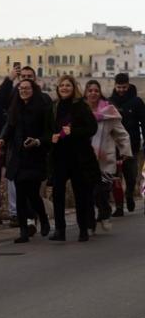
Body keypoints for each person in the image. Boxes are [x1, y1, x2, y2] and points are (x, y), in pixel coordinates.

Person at [0, 64, 50, 225]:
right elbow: (7, 119)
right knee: (17, 187)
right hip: (16, 150)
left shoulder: (44, 100)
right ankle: (23, 223)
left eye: (29, 77)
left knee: (32, 191)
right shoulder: (15, 99)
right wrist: (9, 79)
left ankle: (35, 218)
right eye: (23, 77)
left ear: (35, 80)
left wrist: (41, 142)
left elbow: (48, 127)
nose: (26, 81)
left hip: (35, 152)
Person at [0, 79, 51, 243]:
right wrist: (2, 139)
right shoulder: (15, 108)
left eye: (27, 88)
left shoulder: (42, 108)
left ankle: (43, 217)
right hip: (18, 157)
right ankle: (23, 231)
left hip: (35, 157)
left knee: (33, 194)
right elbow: (9, 127)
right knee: (20, 196)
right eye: (21, 88)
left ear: (33, 90)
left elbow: (48, 132)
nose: (24, 91)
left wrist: (37, 141)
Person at [47, 75, 99, 243]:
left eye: (67, 85)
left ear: (73, 87)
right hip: (59, 156)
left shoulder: (81, 106)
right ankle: (60, 230)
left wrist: (73, 131)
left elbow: (92, 128)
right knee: (58, 195)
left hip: (78, 157)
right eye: (61, 85)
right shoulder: (54, 107)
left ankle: (83, 229)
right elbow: (48, 128)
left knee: (81, 194)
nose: (64, 88)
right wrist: (52, 137)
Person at [83, 80, 132, 231]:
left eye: (96, 90)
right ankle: (90, 221)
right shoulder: (80, 111)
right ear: (85, 92)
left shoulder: (109, 112)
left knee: (102, 191)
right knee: (89, 192)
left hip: (105, 159)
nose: (93, 93)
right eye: (90, 90)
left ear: (100, 93)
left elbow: (121, 134)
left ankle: (104, 213)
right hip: (85, 159)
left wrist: (125, 151)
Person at [108, 73, 145, 215]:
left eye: (124, 87)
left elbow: (143, 122)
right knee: (115, 177)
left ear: (128, 85)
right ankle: (118, 206)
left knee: (130, 176)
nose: (121, 90)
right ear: (115, 86)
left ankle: (129, 194)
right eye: (119, 87)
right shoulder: (110, 102)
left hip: (132, 145)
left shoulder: (136, 102)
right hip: (113, 146)